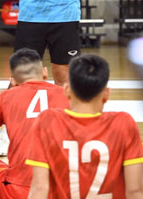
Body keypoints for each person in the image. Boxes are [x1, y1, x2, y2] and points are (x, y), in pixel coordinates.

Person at [27, 54, 143, 198]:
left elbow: (39, 188)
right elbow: (135, 191)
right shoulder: (124, 122)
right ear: (106, 93)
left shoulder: (47, 121)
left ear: (67, 90)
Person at [0, 48, 69, 198]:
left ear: (13, 80)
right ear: (45, 72)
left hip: (17, 189)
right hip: (61, 189)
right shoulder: (67, 95)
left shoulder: (5, 97)